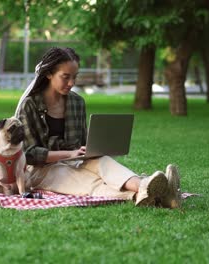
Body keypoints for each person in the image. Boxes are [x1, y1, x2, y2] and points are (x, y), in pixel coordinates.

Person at [15, 47, 181, 208]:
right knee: (88, 181)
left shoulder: (76, 102)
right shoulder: (29, 105)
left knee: (103, 162)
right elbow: (28, 154)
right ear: (49, 74)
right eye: (65, 77)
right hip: (40, 169)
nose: (71, 83)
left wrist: (91, 149)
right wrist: (69, 154)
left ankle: (145, 186)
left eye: (75, 77)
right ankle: (158, 195)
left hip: (73, 160)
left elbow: (79, 144)